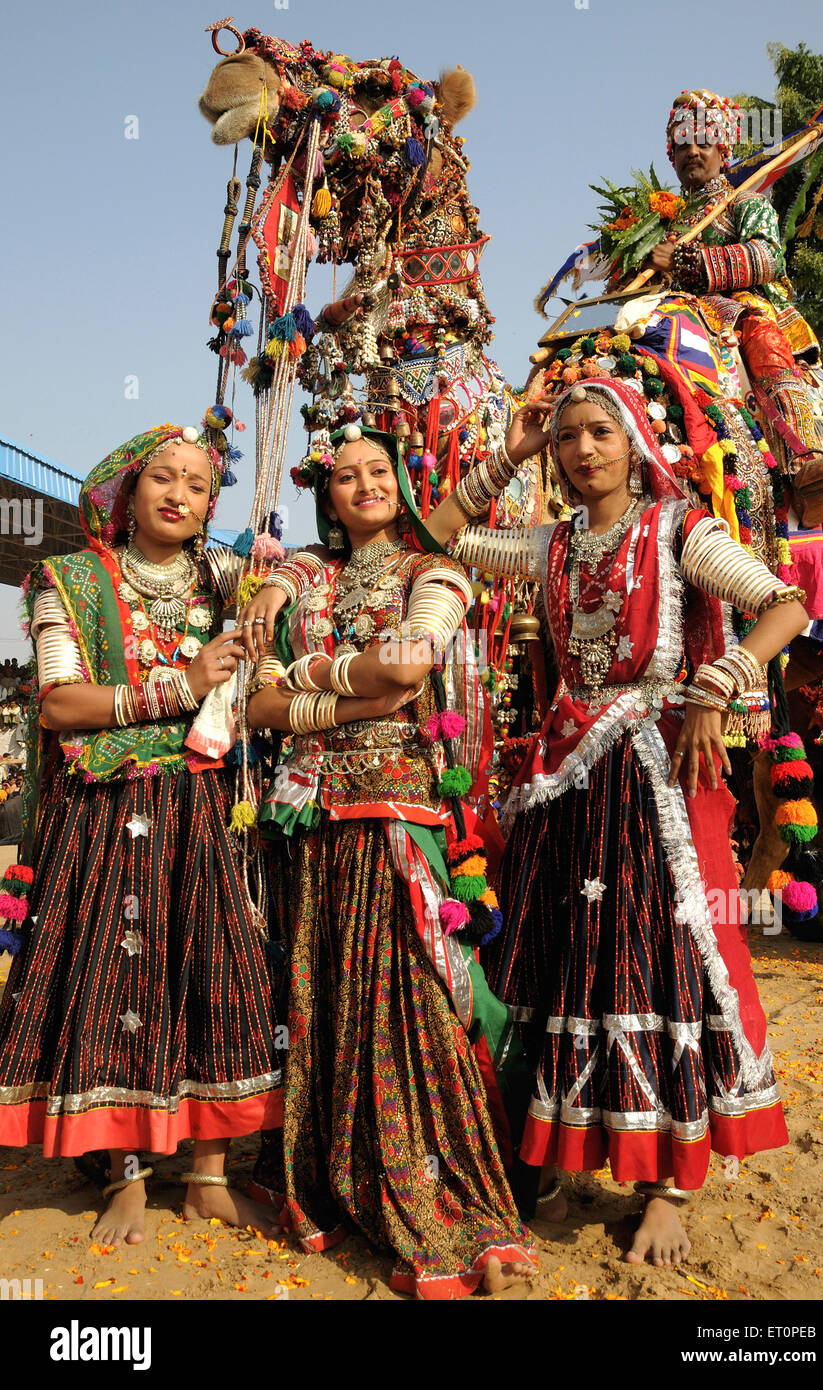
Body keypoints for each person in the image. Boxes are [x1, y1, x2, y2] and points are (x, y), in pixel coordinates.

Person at [445, 378, 806, 1266]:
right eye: (567, 439)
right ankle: (548, 1149)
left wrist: (721, 681)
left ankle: (666, 1183)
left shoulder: (680, 529)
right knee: (558, 957)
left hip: (651, 772)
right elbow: (440, 539)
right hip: (567, 780)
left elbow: (785, 606)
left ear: (635, 440)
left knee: (659, 955)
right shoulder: (552, 544)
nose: (582, 450)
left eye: (600, 432)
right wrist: (509, 453)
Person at [240, 422, 537, 1298]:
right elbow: (248, 706)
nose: (365, 485)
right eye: (345, 476)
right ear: (324, 496)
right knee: (322, 994)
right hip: (308, 821)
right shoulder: (303, 577)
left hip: (395, 810)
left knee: (412, 999)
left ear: (402, 484)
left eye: (380, 471)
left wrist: (303, 681)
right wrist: (325, 678)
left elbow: (408, 669)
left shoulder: (430, 570)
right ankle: (337, 1176)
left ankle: (437, 1186)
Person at [0, 424, 282, 1245]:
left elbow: (298, 576)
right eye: (162, 477)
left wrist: (272, 589)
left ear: (208, 508)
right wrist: (182, 686)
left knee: (214, 967)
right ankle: (125, 1174)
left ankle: (205, 1178)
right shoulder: (70, 580)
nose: (178, 495)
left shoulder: (222, 575)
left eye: (197, 486)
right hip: (106, 812)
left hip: (204, 804)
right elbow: (60, 705)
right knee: (116, 979)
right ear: (125, 491)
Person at [649, 88, 823, 526]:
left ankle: (801, 456)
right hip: (670, 310)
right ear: (671, 155)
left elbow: (769, 257)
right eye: (682, 142)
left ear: (723, 148)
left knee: (759, 334)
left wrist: (686, 260)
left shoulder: (746, 203)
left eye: (703, 140)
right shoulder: (658, 221)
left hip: (735, 307)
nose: (692, 150)